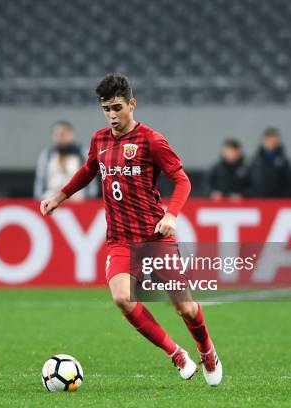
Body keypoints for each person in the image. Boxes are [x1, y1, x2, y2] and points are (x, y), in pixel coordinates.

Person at [39, 74, 222, 386]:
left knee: (185, 307)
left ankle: (206, 349)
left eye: (117, 107)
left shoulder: (151, 140)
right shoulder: (99, 140)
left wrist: (172, 215)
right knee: (122, 298)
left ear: (132, 104)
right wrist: (59, 196)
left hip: (155, 238)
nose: (112, 115)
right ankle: (176, 353)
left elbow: (182, 180)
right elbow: (88, 171)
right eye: (106, 109)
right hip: (120, 239)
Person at [34, 121, 98, 200]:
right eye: (57, 135)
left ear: (71, 135)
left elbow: (91, 178)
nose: (61, 138)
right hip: (51, 197)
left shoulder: (82, 153)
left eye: (63, 134)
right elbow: (40, 180)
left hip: (77, 198)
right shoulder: (47, 155)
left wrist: (89, 197)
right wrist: (39, 198)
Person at [248, 128, 291, 197]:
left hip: (278, 200)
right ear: (263, 141)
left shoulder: (283, 161)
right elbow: (249, 180)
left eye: (274, 141)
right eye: (269, 141)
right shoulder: (256, 160)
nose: (271, 143)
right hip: (259, 199)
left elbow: (290, 181)